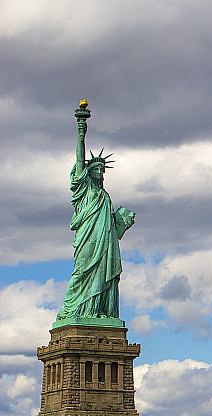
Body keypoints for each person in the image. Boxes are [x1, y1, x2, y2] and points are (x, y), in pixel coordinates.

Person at [56, 109, 134, 321]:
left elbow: (111, 225)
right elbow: (80, 160)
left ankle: (99, 311)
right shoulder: (84, 189)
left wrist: (122, 222)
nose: (100, 173)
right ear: (88, 173)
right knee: (82, 272)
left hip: (106, 242)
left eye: (102, 170)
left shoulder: (105, 196)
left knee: (104, 275)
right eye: (96, 170)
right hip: (88, 239)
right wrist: (81, 133)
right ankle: (73, 310)